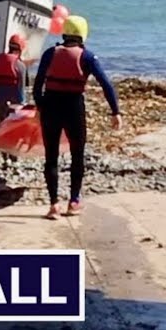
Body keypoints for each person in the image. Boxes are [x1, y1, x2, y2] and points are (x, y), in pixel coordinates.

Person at [32, 15, 121, 219]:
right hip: (73, 107)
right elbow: (106, 84)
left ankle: (54, 205)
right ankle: (73, 201)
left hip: (51, 106)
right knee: (77, 155)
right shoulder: (87, 57)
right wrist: (115, 111)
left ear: (64, 33)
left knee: (51, 156)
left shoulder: (50, 53)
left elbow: (37, 85)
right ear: (83, 35)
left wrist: (41, 106)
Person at [0, 34, 27, 122]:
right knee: (14, 120)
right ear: (21, 48)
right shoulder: (20, 65)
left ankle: (2, 124)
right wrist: (22, 102)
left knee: (2, 119)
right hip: (14, 97)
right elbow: (21, 86)